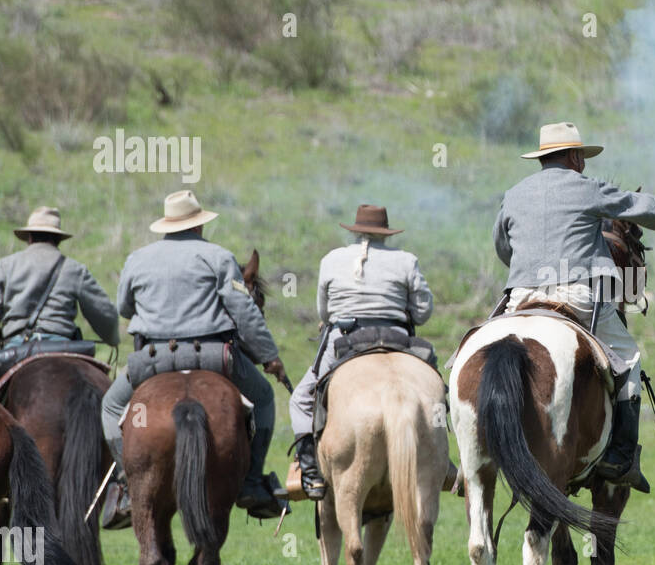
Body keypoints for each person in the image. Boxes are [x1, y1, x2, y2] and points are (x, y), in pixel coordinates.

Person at [492, 121, 655, 492]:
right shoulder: (587, 189)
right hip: (576, 295)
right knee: (628, 358)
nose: (583, 163)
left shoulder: (513, 194)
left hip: (521, 297)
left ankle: (476, 456)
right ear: (574, 157)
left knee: (476, 353)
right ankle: (621, 454)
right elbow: (642, 208)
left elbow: (503, 248)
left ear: (543, 158)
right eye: (582, 157)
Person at [100, 190, 289, 520]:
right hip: (213, 356)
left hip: (153, 358)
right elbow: (242, 308)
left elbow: (124, 307)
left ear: (166, 226)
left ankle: (128, 482)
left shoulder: (137, 259)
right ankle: (253, 481)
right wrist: (268, 355)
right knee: (263, 397)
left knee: (111, 405)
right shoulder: (218, 257)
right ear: (199, 226)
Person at [290, 205, 434, 499]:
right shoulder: (406, 260)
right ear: (386, 233)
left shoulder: (332, 259)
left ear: (354, 231)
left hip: (344, 339)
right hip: (398, 340)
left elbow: (324, 311)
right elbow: (422, 312)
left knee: (301, 399)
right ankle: (439, 459)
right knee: (436, 392)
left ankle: (312, 472)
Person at [0, 206, 120, 379]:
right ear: (58, 239)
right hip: (64, 348)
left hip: (16, 349)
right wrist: (112, 338)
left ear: (29, 237)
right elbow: (106, 315)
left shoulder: (4, 265)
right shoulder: (75, 269)